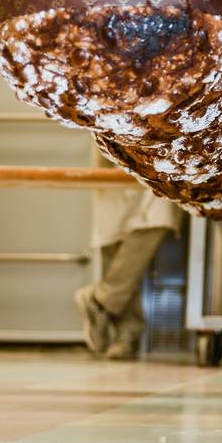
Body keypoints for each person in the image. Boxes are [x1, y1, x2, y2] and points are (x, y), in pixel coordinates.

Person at [75, 148, 183, 360]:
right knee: (113, 234)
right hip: (112, 139)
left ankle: (101, 302)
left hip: (159, 148)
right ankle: (127, 333)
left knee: (158, 221)